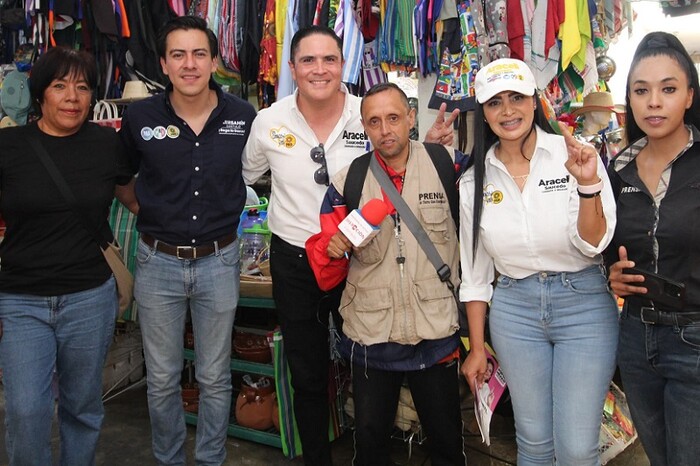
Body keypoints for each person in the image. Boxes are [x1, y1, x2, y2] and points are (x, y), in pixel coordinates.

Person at [242, 25, 458, 465]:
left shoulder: (370, 113)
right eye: (308, 60)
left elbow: (403, 162)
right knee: (307, 372)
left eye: (329, 60)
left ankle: (375, 441)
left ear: (345, 64)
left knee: (368, 364)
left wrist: (428, 149)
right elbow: (245, 179)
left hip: (364, 264)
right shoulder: (269, 122)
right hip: (296, 259)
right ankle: (318, 458)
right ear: (292, 67)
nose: (319, 70)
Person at [459, 58, 619, 465]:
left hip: (582, 303)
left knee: (578, 447)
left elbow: (593, 242)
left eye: (516, 98)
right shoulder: (473, 182)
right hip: (514, 311)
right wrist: (477, 348)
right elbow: (475, 274)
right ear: (483, 113)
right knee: (532, 442)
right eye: (495, 103)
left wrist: (587, 186)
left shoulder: (575, 157)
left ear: (535, 102)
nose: (507, 111)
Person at [115, 16, 256, 466]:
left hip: (220, 260)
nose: (189, 64)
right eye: (178, 54)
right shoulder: (139, 116)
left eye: (199, 54)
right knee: (161, 378)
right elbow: (120, 178)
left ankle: (211, 459)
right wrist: (145, 210)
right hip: (158, 263)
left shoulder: (243, 116)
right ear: (164, 63)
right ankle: (170, 459)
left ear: (215, 60)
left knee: (215, 376)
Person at [306, 82, 468, 465]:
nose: (385, 130)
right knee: (371, 441)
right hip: (371, 336)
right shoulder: (349, 182)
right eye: (374, 121)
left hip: (436, 332)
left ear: (411, 118)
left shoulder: (450, 165)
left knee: (446, 439)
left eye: (394, 118)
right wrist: (332, 251)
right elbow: (326, 275)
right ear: (364, 127)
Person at [0, 46, 131, 465]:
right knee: (26, 411)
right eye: (60, 86)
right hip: (21, 300)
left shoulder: (106, 144)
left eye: (82, 87)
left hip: (89, 297)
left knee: (83, 408)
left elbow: (135, 198)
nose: (72, 97)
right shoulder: (9, 146)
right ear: (40, 94)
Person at [606, 31, 700, 466]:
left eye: (668, 89)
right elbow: (606, 246)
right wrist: (611, 273)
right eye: (641, 91)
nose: (654, 102)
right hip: (636, 338)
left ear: (689, 96)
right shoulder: (616, 170)